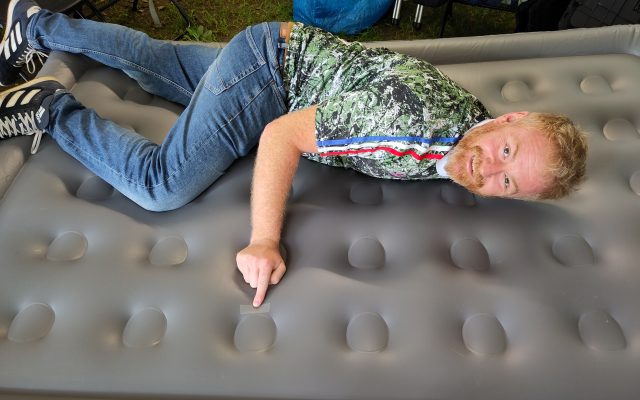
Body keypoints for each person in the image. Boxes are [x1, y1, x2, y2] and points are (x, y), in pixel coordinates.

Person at [0, 0, 588, 307]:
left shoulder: (469, 123)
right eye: (506, 149)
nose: (492, 169)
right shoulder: (411, 128)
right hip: (270, 81)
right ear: (509, 119)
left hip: (289, 53)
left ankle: (36, 23)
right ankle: (50, 109)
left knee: (161, 66)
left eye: (510, 183)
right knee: (162, 185)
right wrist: (264, 240)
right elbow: (282, 135)